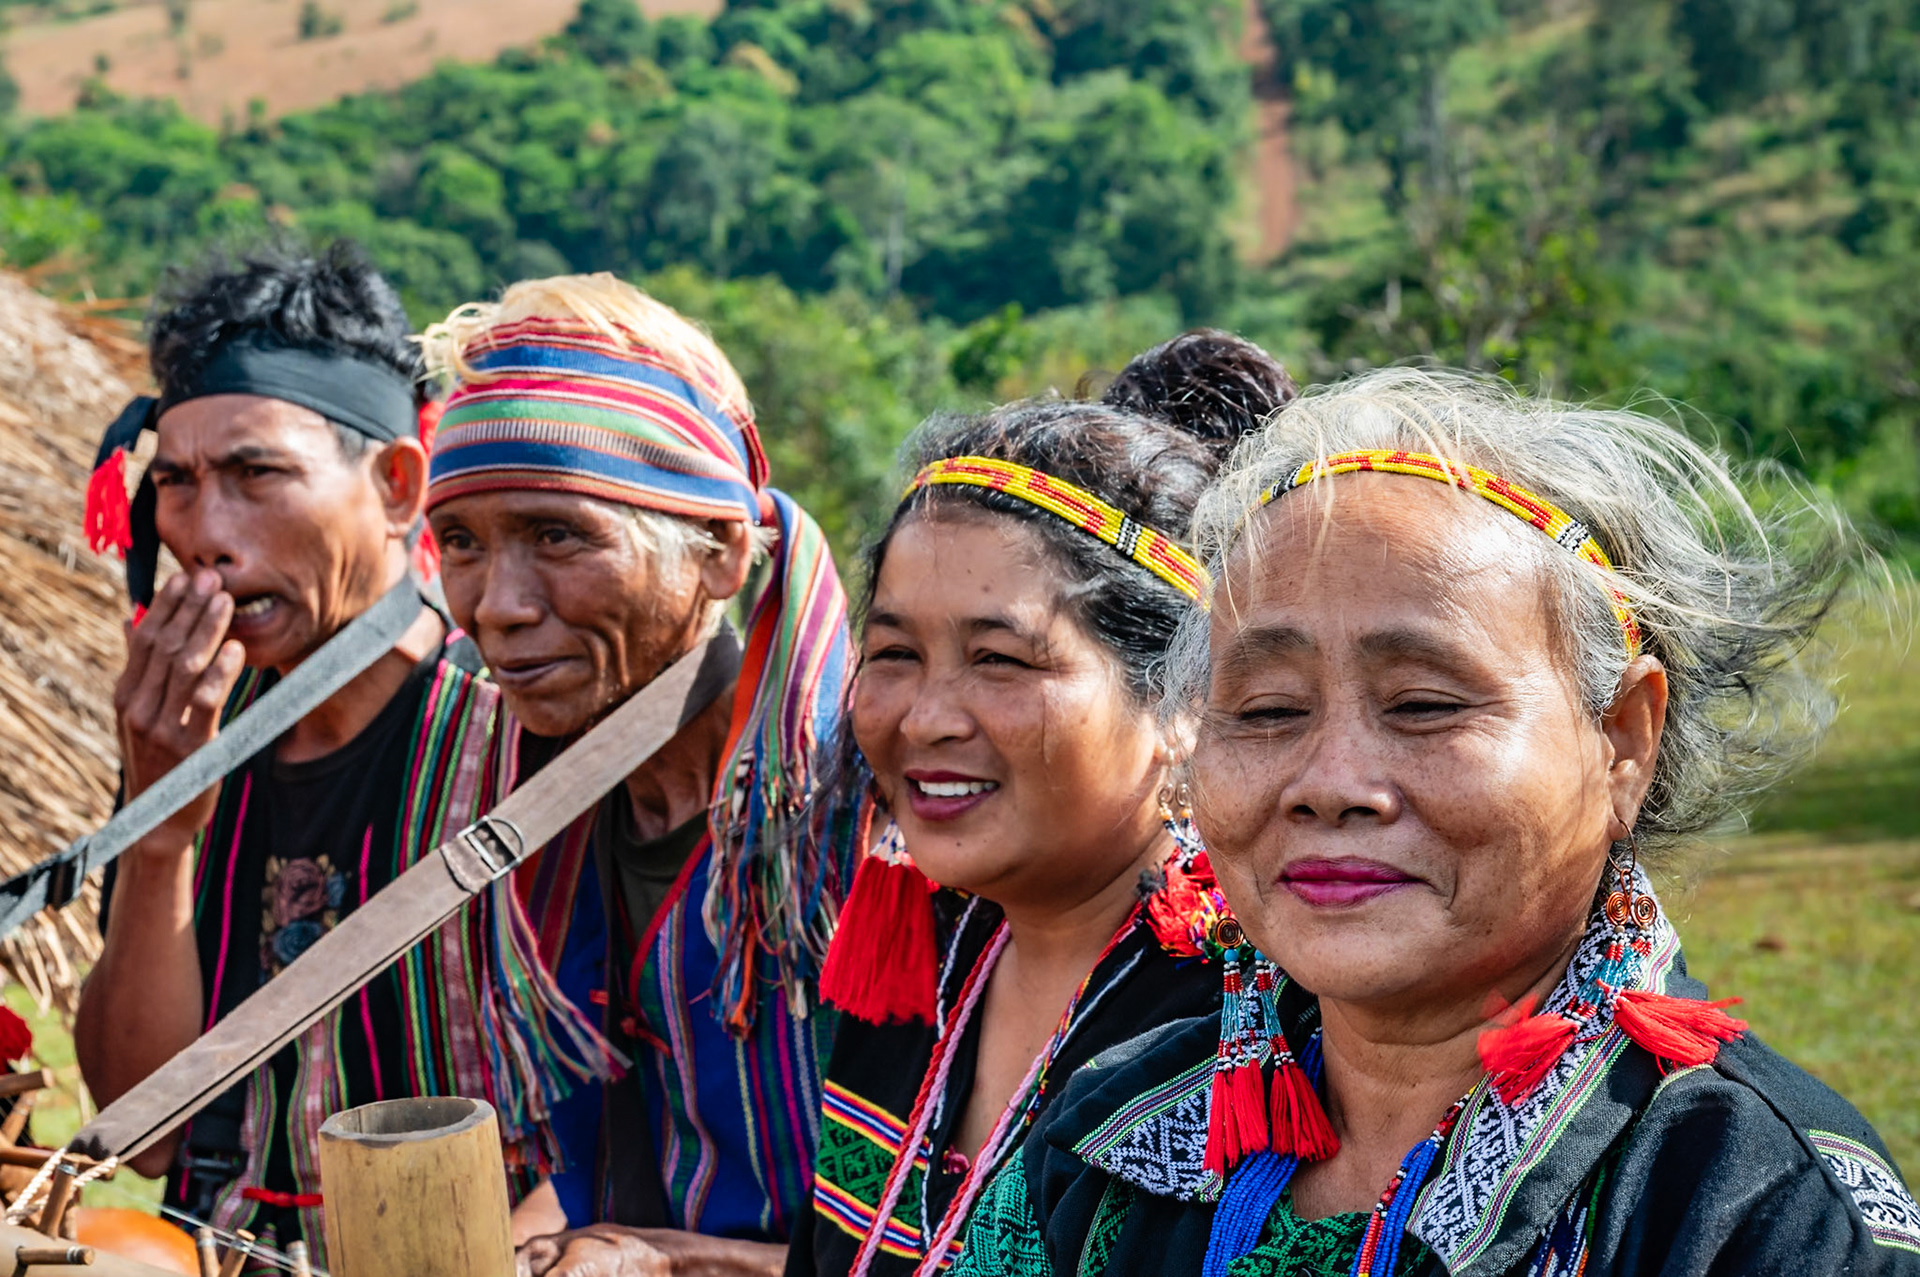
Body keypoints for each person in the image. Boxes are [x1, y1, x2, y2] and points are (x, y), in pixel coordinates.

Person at [952, 368, 1920, 1275]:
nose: (1329, 782)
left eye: (1423, 703)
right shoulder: (1110, 1127)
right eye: (1267, 708)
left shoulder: (1744, 1197)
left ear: (1623, 738)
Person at [72, 243, 608, 1260]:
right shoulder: (189, 730)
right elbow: (141, 1130)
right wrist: (159, 830)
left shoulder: (519, 735)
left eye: (256, 472)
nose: (207, 535)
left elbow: (617, 1119)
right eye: (177, 482)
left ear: (400, 484)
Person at [785, 331, 1299, 1277]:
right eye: (895, 653)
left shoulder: (1252, 1031)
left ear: (1183, 701)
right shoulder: (920, 965)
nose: (927, 718)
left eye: (1000, 659)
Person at [418, 274, 853, 1276]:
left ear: (722, 551)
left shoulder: (867, 829)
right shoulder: (526, 833)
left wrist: (670, 1258)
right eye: (462, 544)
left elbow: (982, 1228)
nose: (498, 606)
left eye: (558, 534)